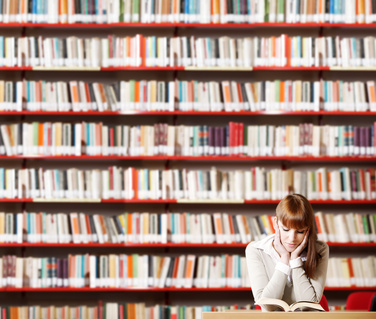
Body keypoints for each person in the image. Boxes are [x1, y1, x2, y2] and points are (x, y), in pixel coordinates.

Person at [245, 194, 329, 311]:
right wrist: (284, 260)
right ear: (275, 223)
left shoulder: (320, 250)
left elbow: (308, 305)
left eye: (300, 231)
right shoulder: (256, 250)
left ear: (308, 229)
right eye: (286, 229)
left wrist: (295, 261)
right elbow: (267, 306)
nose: (292, 238)